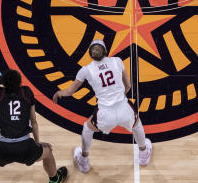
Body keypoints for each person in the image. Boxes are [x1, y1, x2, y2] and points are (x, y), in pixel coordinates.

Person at [52, 39, 152, 173]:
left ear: (90, 53)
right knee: (136, 123)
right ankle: (144, 154)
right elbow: (128, 86)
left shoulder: (85, 70)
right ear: (105, 51)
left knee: (87, 128)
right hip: (123, 107)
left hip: (104, 113)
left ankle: (83, 160)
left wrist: (59, 93)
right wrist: (117, 95)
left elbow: (70, 91)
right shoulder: (117, 61)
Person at [0, 69, 68, 183]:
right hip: (26, 148)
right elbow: (34, 121)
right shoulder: (27, 92)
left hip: (3, 149)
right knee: (48, 152)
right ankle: (55, 179)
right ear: (19, 82)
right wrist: (37, 143)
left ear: (4, 82)